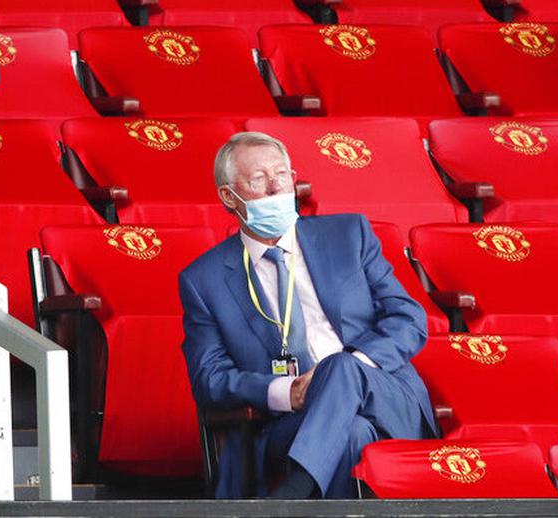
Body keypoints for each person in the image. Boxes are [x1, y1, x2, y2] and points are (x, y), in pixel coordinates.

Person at [179, 132, 436, 499]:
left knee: (341, 367)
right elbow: (209, 378)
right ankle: (294, 494)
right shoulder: (204, 279)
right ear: (228, 197)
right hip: (292, 422)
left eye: (281, 175)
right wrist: (287, 392)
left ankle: (290, 498)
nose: (274, 188)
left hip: (386, 399)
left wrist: (353, 365)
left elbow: (409, 318)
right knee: (351, 434)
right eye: (258, 180)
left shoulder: (349, 235)